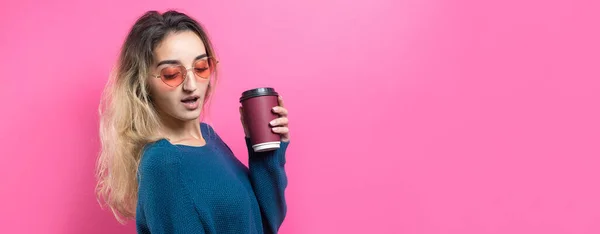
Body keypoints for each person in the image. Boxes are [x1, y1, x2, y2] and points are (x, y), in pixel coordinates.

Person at [95, 10, 291, 234]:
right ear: (143, 82)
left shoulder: (209, 138)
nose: (191, 84)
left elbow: (265, 222)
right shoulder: (164, 164)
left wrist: (266, 152)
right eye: (171, 74)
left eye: (200, 68)